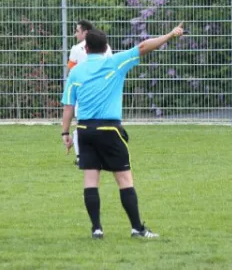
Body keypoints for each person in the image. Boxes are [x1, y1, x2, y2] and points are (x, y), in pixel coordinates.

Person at [61, 23, 184, 239]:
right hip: (109, 129)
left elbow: (69, 106)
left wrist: (65, 133)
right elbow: (144, 46)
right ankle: (137, 228)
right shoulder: (116, 62)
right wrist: (170, 35)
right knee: (125, 181)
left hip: (84, 130)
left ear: (86, 49)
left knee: (91, 180)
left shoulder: (76, 72)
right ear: (106, 46)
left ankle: (97, 228)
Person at [67, 20, 113, 166]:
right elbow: (110, 67)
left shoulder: (76, 49)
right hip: (102, 91)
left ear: (85, 32)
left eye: (77, 31)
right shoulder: (106, 48)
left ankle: (81, 156)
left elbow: (71, 71)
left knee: (83, 122)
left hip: (83, 92)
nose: (75, 34)